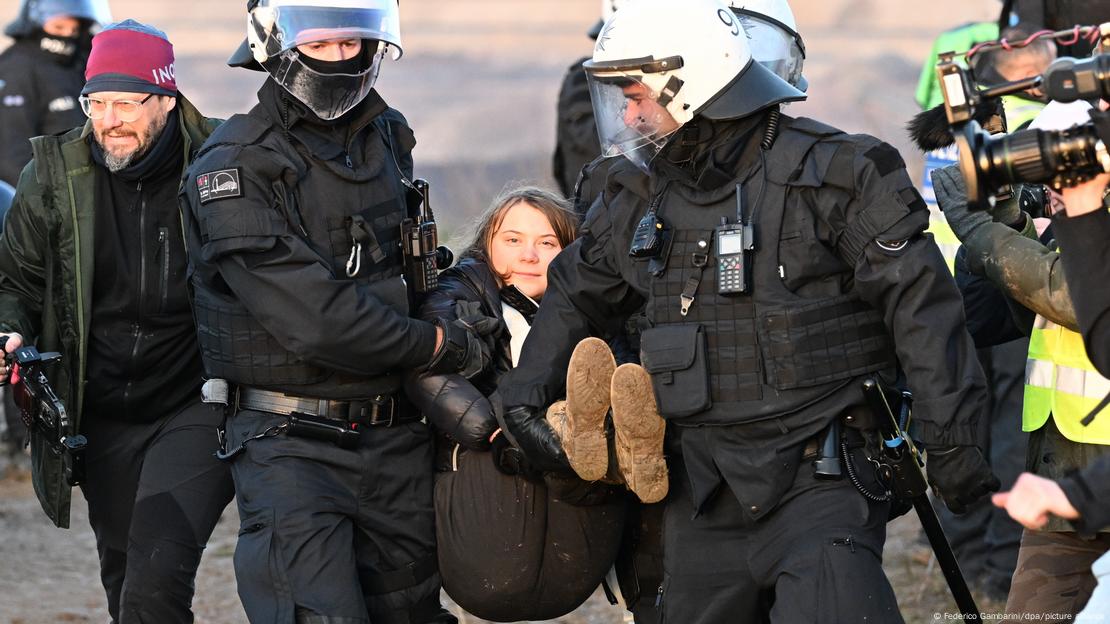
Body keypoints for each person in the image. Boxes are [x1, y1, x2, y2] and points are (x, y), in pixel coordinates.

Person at [500, 0, 997, 622]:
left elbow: (922, 307)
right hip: (700, 488)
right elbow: (576, 290)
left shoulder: (837, 170)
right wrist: (523, 398)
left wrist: (951, 437)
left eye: (635, 95)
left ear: (691, 83)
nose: (626, 114)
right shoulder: (635, 193)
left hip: (825, 474)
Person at [180, 1, 489, 622]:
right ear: (275, 42)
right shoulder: (234, 166)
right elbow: (315, 317)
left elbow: (413, 265)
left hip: (397, 434)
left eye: (355, 40)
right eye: (323, 43)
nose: (344, 57)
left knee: (411, 611)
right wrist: (436, 345)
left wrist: (460, 303)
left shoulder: (387, 135)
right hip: (291, 445)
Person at [0, 19, 234, 622]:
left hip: (196, 400)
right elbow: (16, 282)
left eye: (127, 102)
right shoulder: (51, 177)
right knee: (126, 579)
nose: (110, 119)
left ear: (167, 98)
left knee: (155, 581)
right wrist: (9, 329)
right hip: (98, 412)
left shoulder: (220, 166)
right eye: (96, 102)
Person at [406, 185, 670, 621]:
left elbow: (621, 364)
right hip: (492, 484)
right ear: (486, 242)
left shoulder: (599, 304)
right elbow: (428, 371)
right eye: (513, 240)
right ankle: (584, 435)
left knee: (607, 381)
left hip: (577, 516)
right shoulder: (455, 294)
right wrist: (496, 431)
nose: (530, 255)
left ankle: (618, 448)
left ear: (571, 252)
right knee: (546, 407)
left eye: (547, 243)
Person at [933, 98, 1110, 619]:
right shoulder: (1072, 221)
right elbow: (1001, 313)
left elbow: (1077, 296)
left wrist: (983, 232)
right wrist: (1004, 213)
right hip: (1061, 473)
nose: (1051, 185)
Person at [0, 0, 111, 186]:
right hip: (49, 194)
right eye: (59, 27)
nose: (68, 34)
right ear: (36, 23)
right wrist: (43, 204)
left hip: (91, 186)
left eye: (74, 29)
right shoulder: (17, 68)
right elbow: (12, 155)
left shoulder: (82, 60)